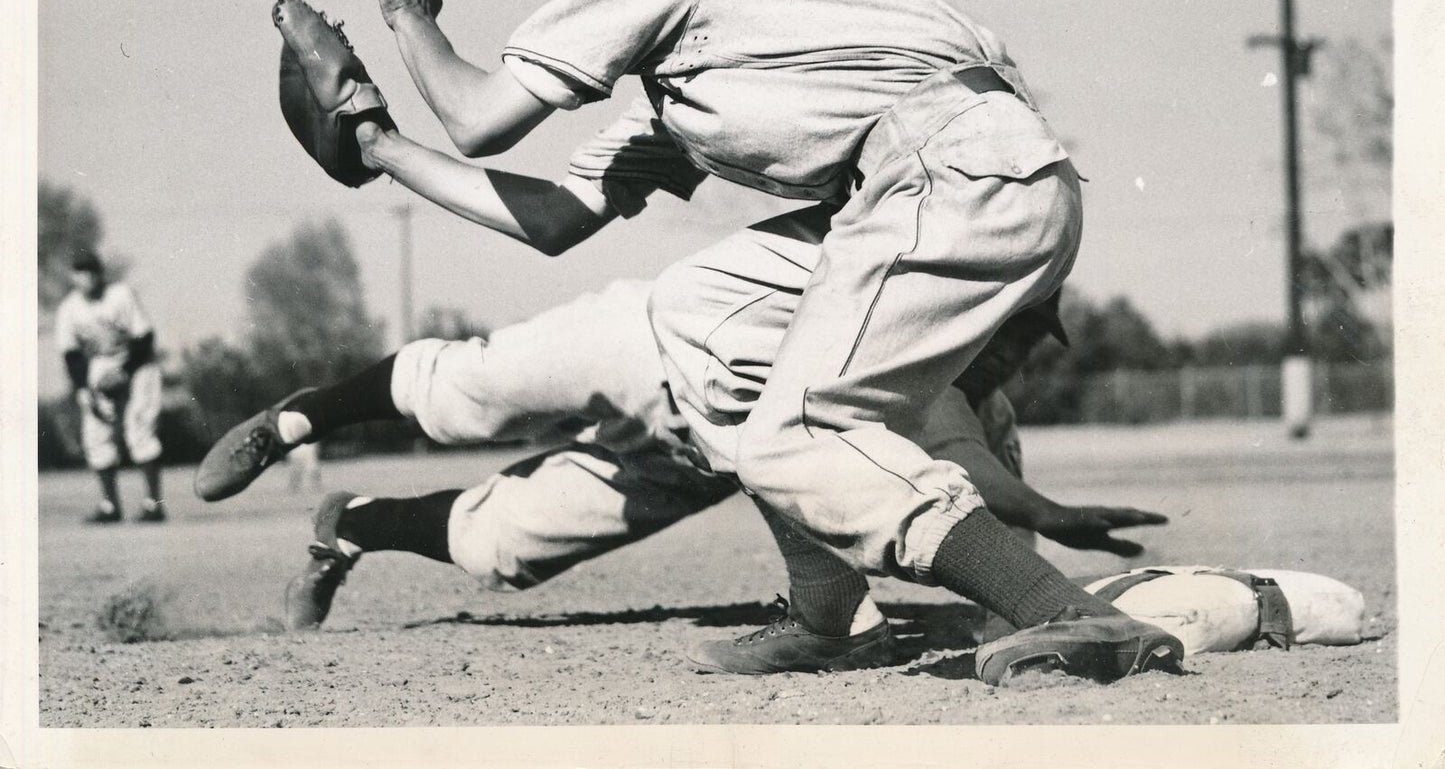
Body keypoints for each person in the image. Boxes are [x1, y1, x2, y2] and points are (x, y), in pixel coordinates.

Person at [212, 0, 1182, 682]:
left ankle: (1067, 614)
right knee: (708, 342)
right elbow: (552, 217)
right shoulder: (715, 40)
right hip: (930, 177)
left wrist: (407, 16)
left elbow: (478, 119)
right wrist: (380, 147)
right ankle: (825, 617)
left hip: (947, 165)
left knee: (789, 431)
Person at [196, 279, 1167, 672]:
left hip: (712, 445)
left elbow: (971, 495)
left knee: (499, 546)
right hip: (654, 344)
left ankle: (351, 521)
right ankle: (296, 415)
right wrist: (1042, 514)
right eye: (1014, 329)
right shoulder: (903, 317)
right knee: (470, 385)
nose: (1016, 354)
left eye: (1032, 339)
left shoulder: (976, 395)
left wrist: (1030, 597)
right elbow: (953, 452)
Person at [54, 249, 166, 523]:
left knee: (139, 428)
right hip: (100, 365)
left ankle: (154, 505)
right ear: (73, 276)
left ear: (100, 273)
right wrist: (83, 389)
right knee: (95, 434)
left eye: (91, 271)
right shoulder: (69, 308)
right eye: (81, 272)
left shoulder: (120, 294)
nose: (87, 277)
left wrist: (125, 373)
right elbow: (71, 354)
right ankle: (109, 507)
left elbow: (145, 337)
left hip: (137, 363)